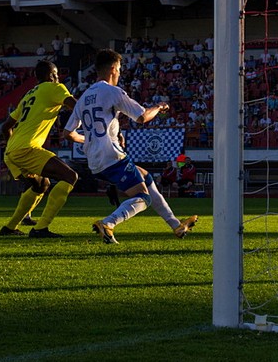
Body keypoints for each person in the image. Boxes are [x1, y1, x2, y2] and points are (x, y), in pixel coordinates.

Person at [63, 49, 198, 244]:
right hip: (111, 156)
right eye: (119, 69)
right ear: (112, 69)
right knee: (144, 198)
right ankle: (108, 223)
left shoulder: (83, 97)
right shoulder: (112, 91)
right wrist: (159, 108)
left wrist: (91, 140)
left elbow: (68, 133)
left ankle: (175, 224)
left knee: (144, 175)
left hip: (94, 159)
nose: (119, 73)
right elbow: (142, 117)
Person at [0, 60, 78, 238]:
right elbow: (77, 106)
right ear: (51, 76)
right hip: (26, 148)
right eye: (56, 75)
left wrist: (12, 146)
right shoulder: (55, 88)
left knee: (41, 184)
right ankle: (40, 228)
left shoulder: (28, 95)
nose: (58, 78)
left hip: (11, 150)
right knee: (70, 176)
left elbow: (5, 127)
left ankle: (10, 228)